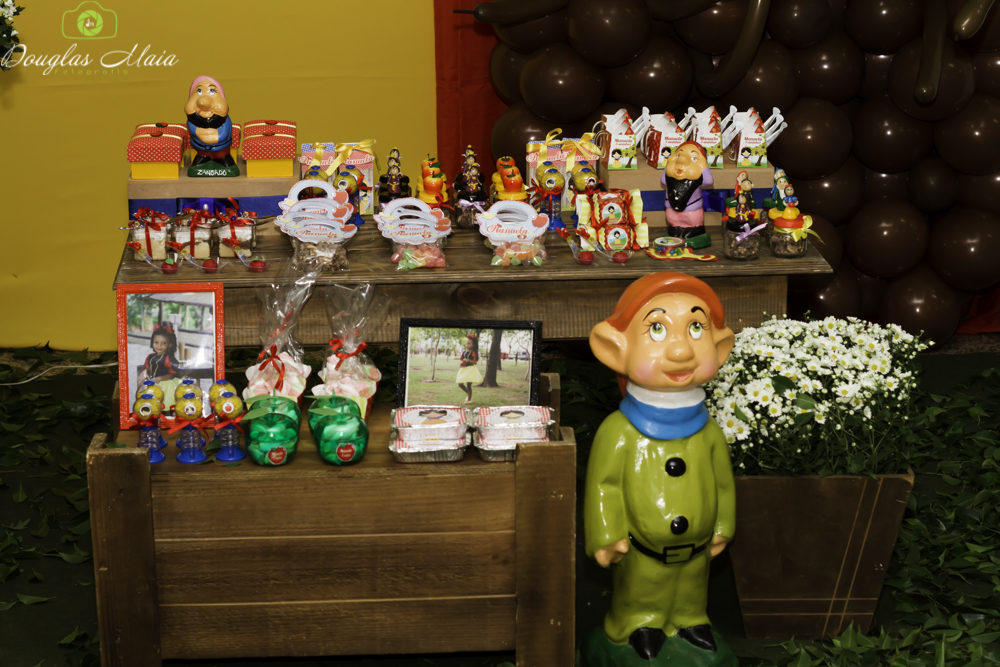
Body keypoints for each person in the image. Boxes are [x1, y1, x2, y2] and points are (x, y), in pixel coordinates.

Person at [582, 272, 737, 666]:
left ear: (720, 347)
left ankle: (689, 619)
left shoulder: (708, 431)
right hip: (641, 551)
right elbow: (603, 486)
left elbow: (722, 483)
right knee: (641, 588)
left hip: (696, 551)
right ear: (614, 348)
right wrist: (606, 535)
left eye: (696, 328)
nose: (681, 350)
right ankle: (637, 623)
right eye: (657, 329)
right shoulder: (619, 431)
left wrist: (723, 526)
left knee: (692, 588)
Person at [661, 141, 714, 245]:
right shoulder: (670, 175)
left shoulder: (696, 176)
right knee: (672, 217)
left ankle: (695, 228)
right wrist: (669, 164)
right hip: (672, 207)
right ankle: (675, 227)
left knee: (693, 218)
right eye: (678, 155)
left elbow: (709, 181)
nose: (681, 160)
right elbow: (663, 180)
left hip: (692, 207)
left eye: (694, 158)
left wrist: (703, 167)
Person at [141, 322, 181, 408]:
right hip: (153, 382)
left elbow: (172, 374)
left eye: (163, 343)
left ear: (169, 345)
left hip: (165, 385)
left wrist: (159, 378)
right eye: (156, 342)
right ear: (152, 342)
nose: (159, 346)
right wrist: (144, 373)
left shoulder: (168, 358)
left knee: (165, 404)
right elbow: (148, 368)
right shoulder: (150, 357)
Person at [456, 333, 482, 404]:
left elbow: (475, 362)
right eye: (466, 343)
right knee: (460, 383)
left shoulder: (473, 353)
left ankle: (469, 399)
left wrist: (468, 360)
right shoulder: (465, 352)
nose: (467, 345)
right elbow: (462, 359)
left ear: (473, 345)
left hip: (471, 370)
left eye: (469, 343)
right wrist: (462, 363)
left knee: (468, 385)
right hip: (464, 369)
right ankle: (468, 393)